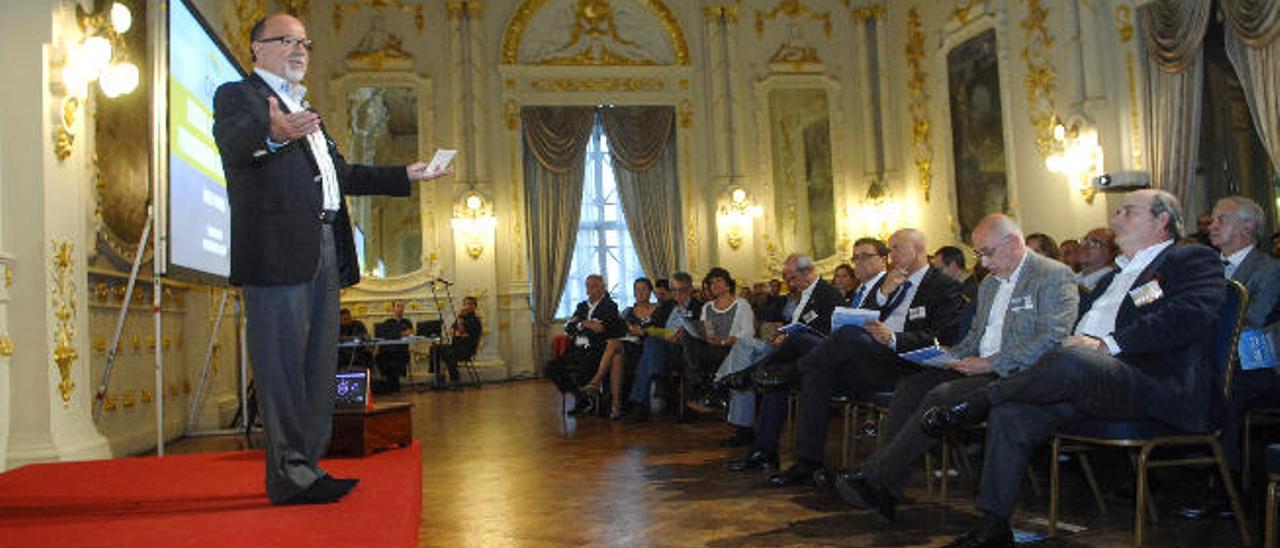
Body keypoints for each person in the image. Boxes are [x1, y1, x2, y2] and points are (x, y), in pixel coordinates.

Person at [212, 12, 452, 505]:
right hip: (277, 252)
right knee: (280, 369)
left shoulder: (307, 109)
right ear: (256, 48)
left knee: (318, 365)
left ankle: (310, 467)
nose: (299, 49)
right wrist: (274, 134)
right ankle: (288, 476)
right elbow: (235, 145)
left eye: (305, 42)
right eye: (286, 40)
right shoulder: (240, 96)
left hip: (323, 246)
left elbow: (341, 175)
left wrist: (408, 172)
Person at [924, 189, 1225, 547]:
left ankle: (980, 401)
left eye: (1127, 212)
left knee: (1071, 360)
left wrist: (1107, 344)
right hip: (1082, 379)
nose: (1115, 220)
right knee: (1013, 411)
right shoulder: (1118, 275)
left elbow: (1189, 315)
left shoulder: (1191, 258)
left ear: (1162, 221)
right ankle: (994, 524)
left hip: (1149, 381)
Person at [832, 214, 1078, 522]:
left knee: (942, 395)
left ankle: (874, 479)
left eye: (986, 253)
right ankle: (885, 492)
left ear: (1013, 243)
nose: (983, 263)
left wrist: (991, 362)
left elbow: (1052, 337)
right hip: (978, 364)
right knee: (910, 387)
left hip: (1016, 371)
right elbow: (976, 336)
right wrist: (948, 355)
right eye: (978, 254)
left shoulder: (1052, 275)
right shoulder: (989, 284)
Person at [766, 228, 966, 487]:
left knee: (848, 335)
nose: (891, 256)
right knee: (818, 374)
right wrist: (883, 295)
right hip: (873, 360)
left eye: (895, 249)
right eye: (890, 249)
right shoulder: (892, 283)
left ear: (915, 250)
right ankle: (807, 462)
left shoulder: (942, 286)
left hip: (907, 362)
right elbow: (867, 316)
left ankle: (792, 372)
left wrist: (893, 338)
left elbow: (944, 336)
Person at [1187, 195, 1280, 517]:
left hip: (1255, 366)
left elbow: (1252, 321)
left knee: (1225, 390)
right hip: (1211, 359)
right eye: (1213, 219)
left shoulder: (1269, 270)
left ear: (1248, 227)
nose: (1211, 225)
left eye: (1220, 219)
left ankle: (1229, 486)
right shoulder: (1204, 268)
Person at [715, 254, 843, 447]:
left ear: (807, 271)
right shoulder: (802, 295)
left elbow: (830, 334)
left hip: (808, 357)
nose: (790, 283)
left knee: (772, 375)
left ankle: (734, 380)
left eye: (792, 278)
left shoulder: (828, 295)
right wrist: (782, 335)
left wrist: (789, 337)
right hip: (786, 351)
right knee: (744, 345)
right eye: (787, 278)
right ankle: (734, 383)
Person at [623, 272, 703, 423]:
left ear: (690, 289)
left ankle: (640, 406)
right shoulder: (667, 306)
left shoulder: (698, 307)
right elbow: (651, 328)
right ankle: (658, 376)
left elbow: (701, 331)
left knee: (649, 352)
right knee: (651, 342)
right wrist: (664, 333)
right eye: (674, 290)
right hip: (663, 348)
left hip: (684, 351)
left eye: (682, 290)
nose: (678, 294)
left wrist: (685, 332)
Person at [545, 275, 626, 415]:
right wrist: (585, 323)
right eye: (588, 286)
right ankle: (581, 398)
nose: (590, 289)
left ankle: (595, 398)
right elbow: (569, 327)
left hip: (597, 349)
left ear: (602, 288)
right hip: (577, 348)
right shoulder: (581, 306)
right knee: (551, 368)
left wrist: (580, 324)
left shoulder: (610, 306)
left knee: (582, 371)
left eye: (594, 286)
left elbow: (601, 329)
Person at [582, 278, 659, 418]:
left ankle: (596, 381)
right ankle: (616, 406)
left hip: (648, 349)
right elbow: (617, 329)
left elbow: (663, 331)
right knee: (616, 355)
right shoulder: (628, 311)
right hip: (628, 346)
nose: (640, 293)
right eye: (637, 290)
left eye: (643, 289)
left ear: (650, 292)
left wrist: (643, 331)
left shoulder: (658, 309)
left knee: (613, 346)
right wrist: (628, 330)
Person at [435, 296, 483, 391]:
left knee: (448, 353)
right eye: (465, 304)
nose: (466, 306)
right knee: (436, 349)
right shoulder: (461, 318)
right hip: (456, 346)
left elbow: (462, 331)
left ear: (475, 306)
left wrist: (460, 319)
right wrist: (457, 330)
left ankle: (455, 379)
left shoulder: (475, 320)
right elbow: (451, 331)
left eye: (469, 304)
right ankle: (439, 378)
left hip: (466, 349)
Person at [374, 299, 414, 393]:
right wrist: (401, 334)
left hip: (402, 352)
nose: (400, 309)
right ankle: (391, 386)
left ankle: (393, 387)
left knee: (398, 359)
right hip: (388, 351)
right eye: (398, 306)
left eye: (402, 306)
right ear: (393, 308)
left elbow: (411, 333)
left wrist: (406, 333)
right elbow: (385, 335)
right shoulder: (388, 322)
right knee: (385, 358)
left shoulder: (407, 322)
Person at [1073, 227, 1118, 292]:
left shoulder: (1113, 282)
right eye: (1084, 240)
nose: (1085, 245)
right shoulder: (1071, 278)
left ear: (1112, 252)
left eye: (1095, 242)